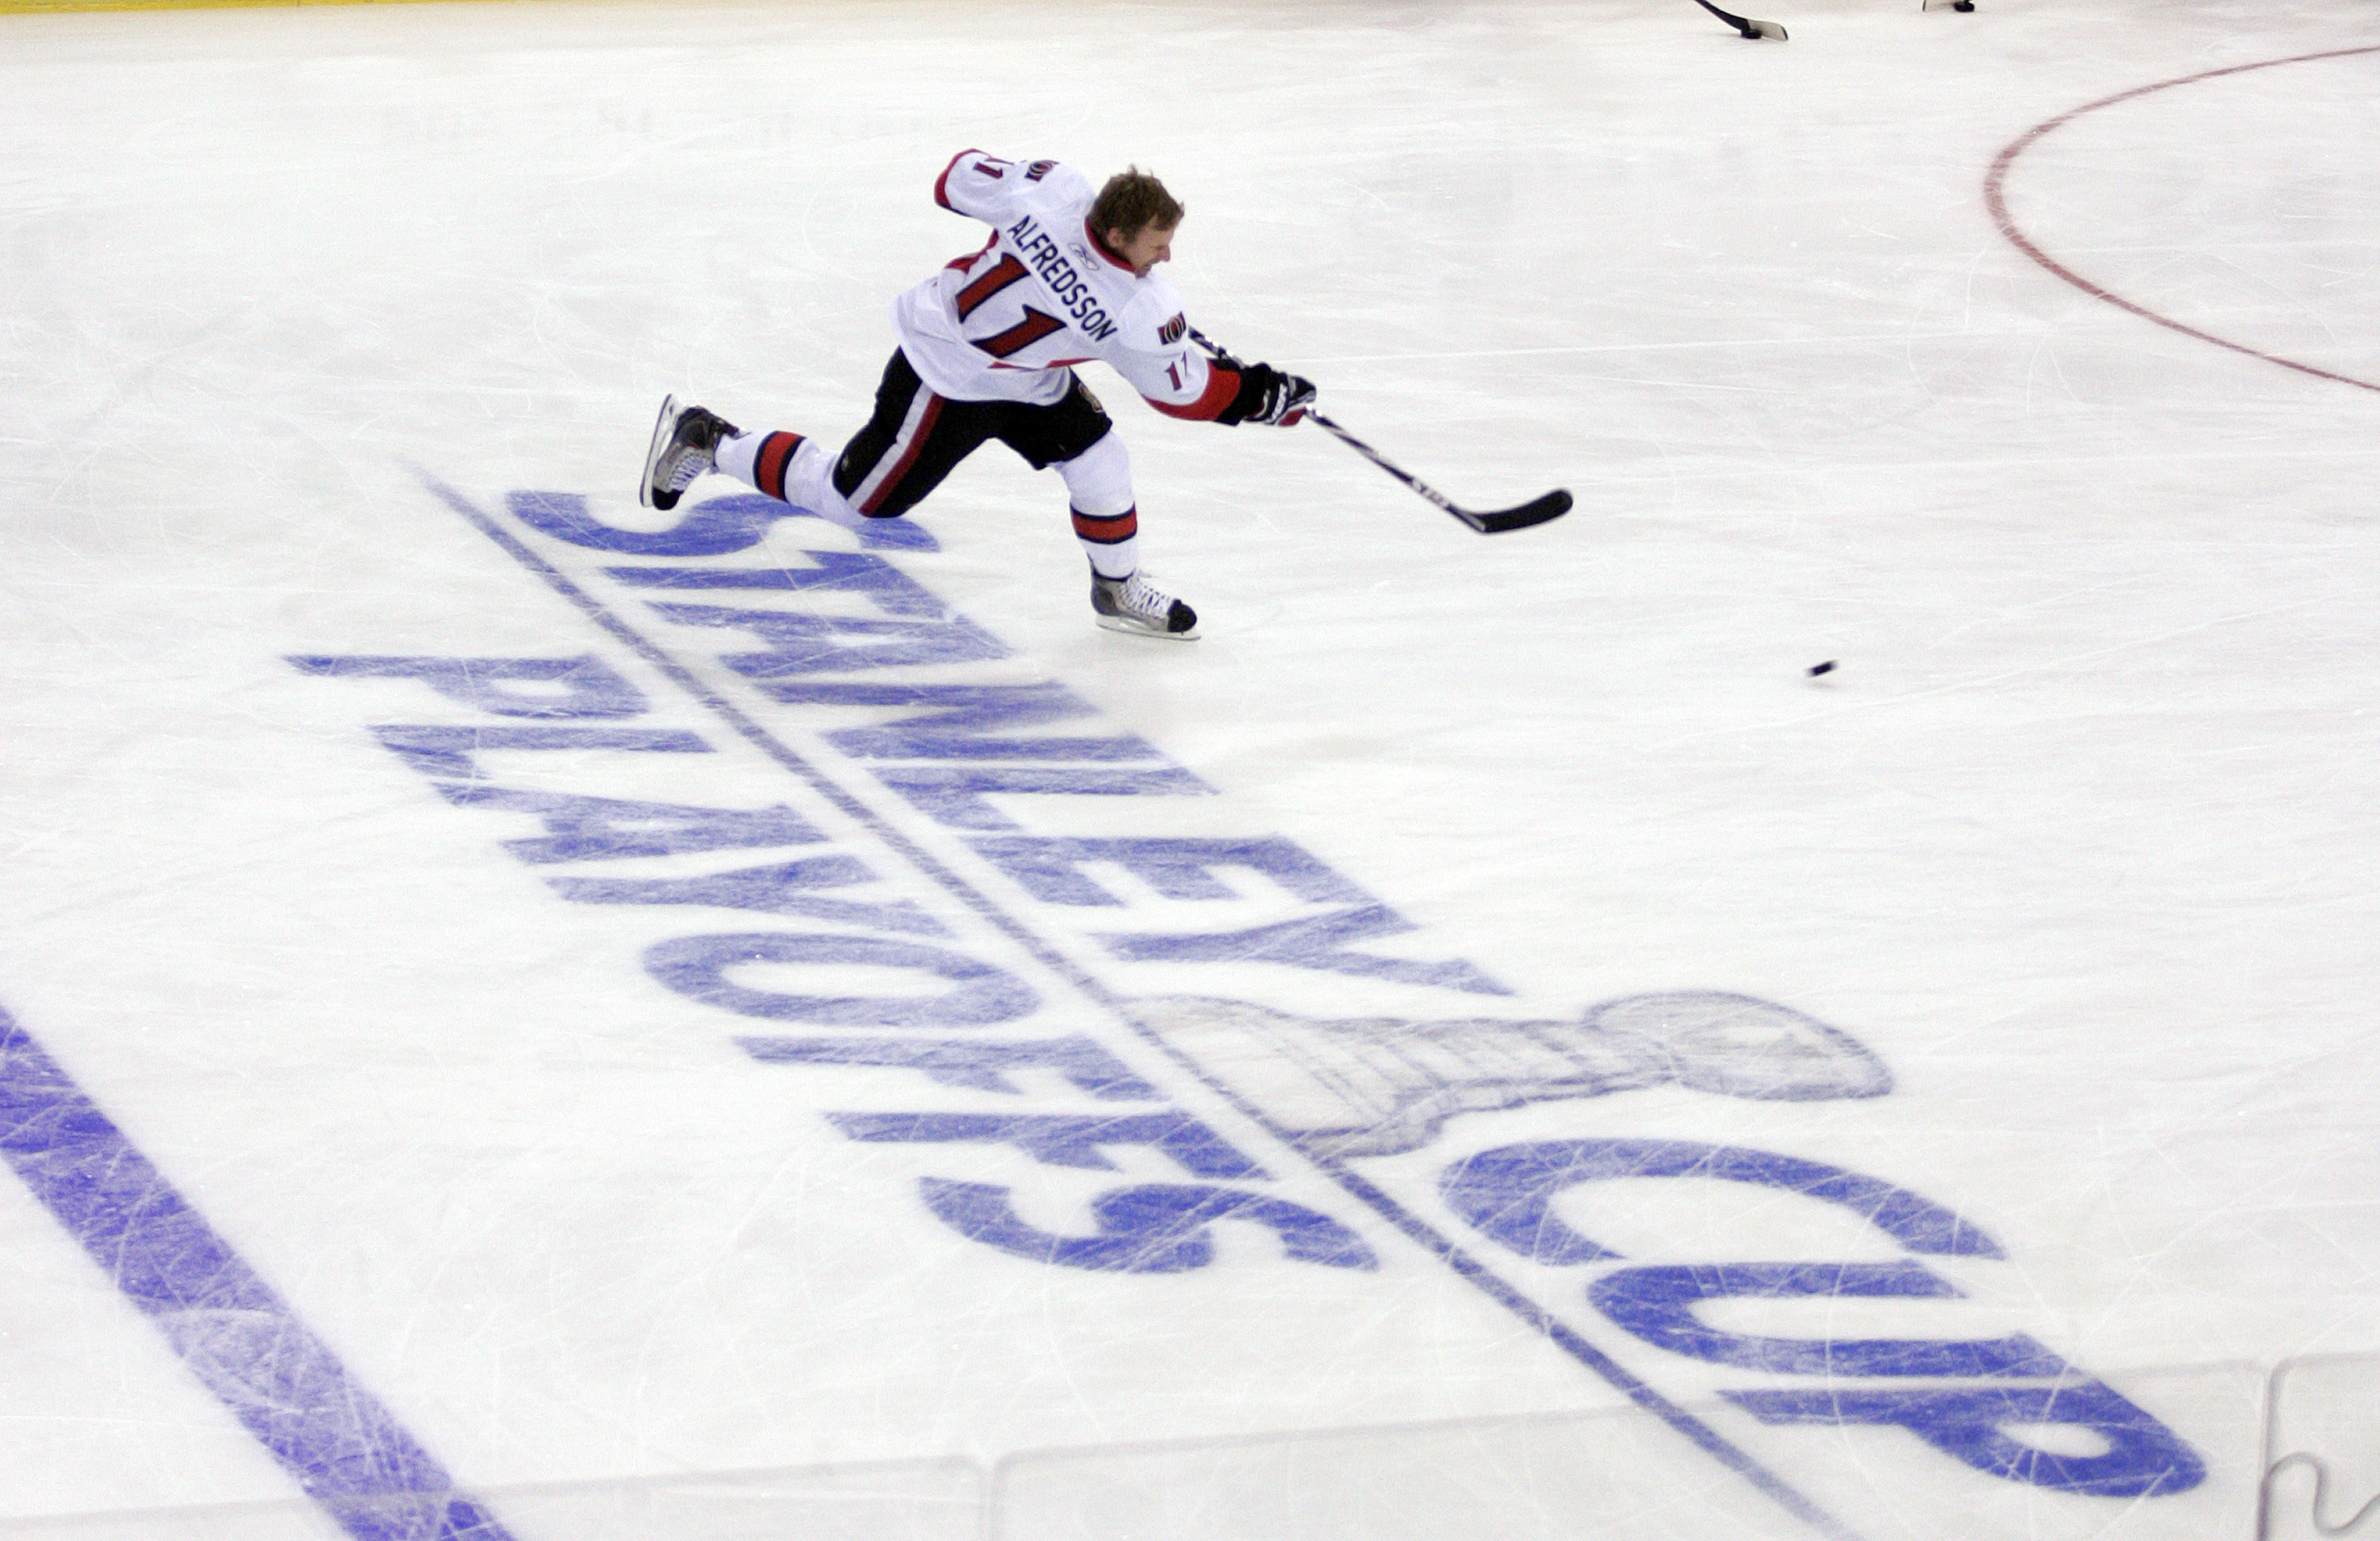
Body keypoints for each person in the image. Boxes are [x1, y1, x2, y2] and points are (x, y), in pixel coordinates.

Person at [639, 151, 1317, 640]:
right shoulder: (1139, 310)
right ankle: (707, 437)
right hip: (948, 373)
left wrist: (1027, 219)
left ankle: (1115, 589)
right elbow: (1182, 393)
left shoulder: (1058, 190)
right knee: (854, 502)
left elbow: (952, 179)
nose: (1166, 257)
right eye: (1157, 245)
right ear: (1115, 234)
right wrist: (1265, 395)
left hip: (1028, 379)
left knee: (1103, 465)